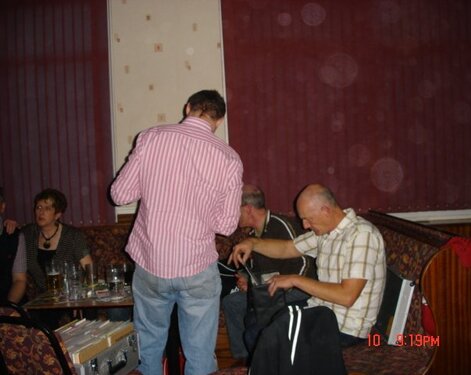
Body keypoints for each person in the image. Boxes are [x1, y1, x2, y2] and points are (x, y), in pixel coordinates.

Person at [110, 89, 243, 375]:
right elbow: (227, 225)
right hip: (196, 265)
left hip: (151, 262)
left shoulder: (152, 137)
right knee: (199, 353)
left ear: (188, 108)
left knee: (149, 350)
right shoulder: (229, 158)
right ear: (218, 121)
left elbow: (120, 195)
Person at [230, 183, 386, 348]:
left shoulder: (361, 235)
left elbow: (347, 296)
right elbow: (287, 248)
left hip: (345, 328)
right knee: (259, 319)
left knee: (262, 335)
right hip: (322, 310)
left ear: (325, 210)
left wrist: (295, 280)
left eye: (307, 218)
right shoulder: (326, 232)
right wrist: (252, 242)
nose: (304, 225)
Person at [222, 184, 315, 361]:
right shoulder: (252, 234)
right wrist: (247, 279)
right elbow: (264, 272)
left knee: (256, 317)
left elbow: (305, 263)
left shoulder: (279, 225)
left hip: (297, 290)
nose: (233, 214)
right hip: (270, 289)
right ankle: (243, 360)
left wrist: (282, 288)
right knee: (232, 302)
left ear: (248, 209)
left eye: (235, 209)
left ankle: (261, 359)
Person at [22, 188, 92, 328]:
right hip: (43, 298)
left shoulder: (73, 236)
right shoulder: (27, 234)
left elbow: (89, 269)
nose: (41, 212)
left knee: (88, 314)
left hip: (70, 294)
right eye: (38, 207)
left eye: (47, 208)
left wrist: (78, 298)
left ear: (58, 214)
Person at [0, 187, 27, 304]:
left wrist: (8, 307)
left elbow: (19, 280)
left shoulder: (14, 236)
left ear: (2, 207)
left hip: (9, 302)